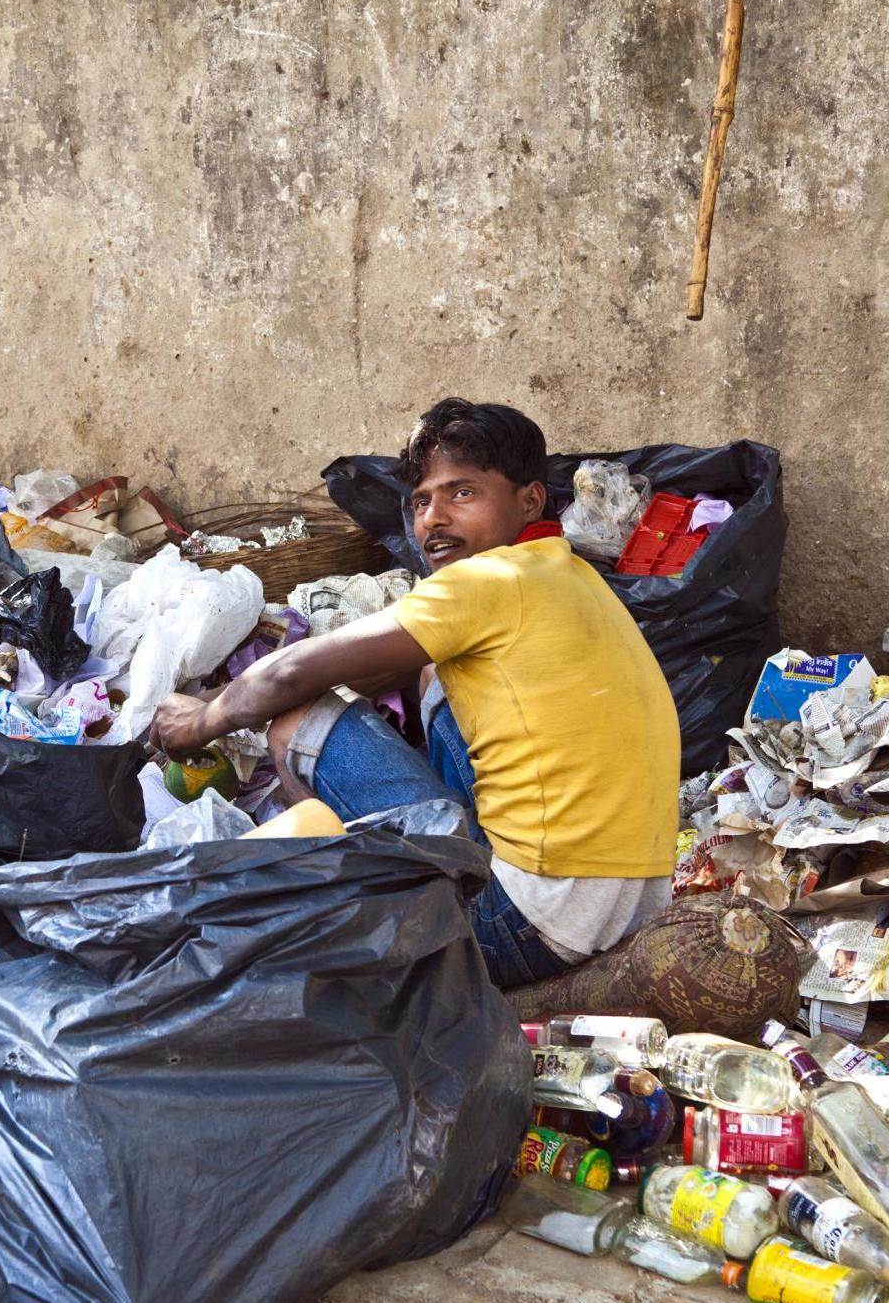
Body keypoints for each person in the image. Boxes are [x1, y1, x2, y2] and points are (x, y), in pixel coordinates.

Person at [150, 399, 678, 986]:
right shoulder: (565, 573)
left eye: (463, 493)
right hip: (628, 908)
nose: (434, 518)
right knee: (430, 674)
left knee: (296, 718)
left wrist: (199, 722)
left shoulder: (487, 582)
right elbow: (369, 669)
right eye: (422, 501)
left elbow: (286, 677)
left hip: (525, 923)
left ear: (530, 500)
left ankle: (348, 924)